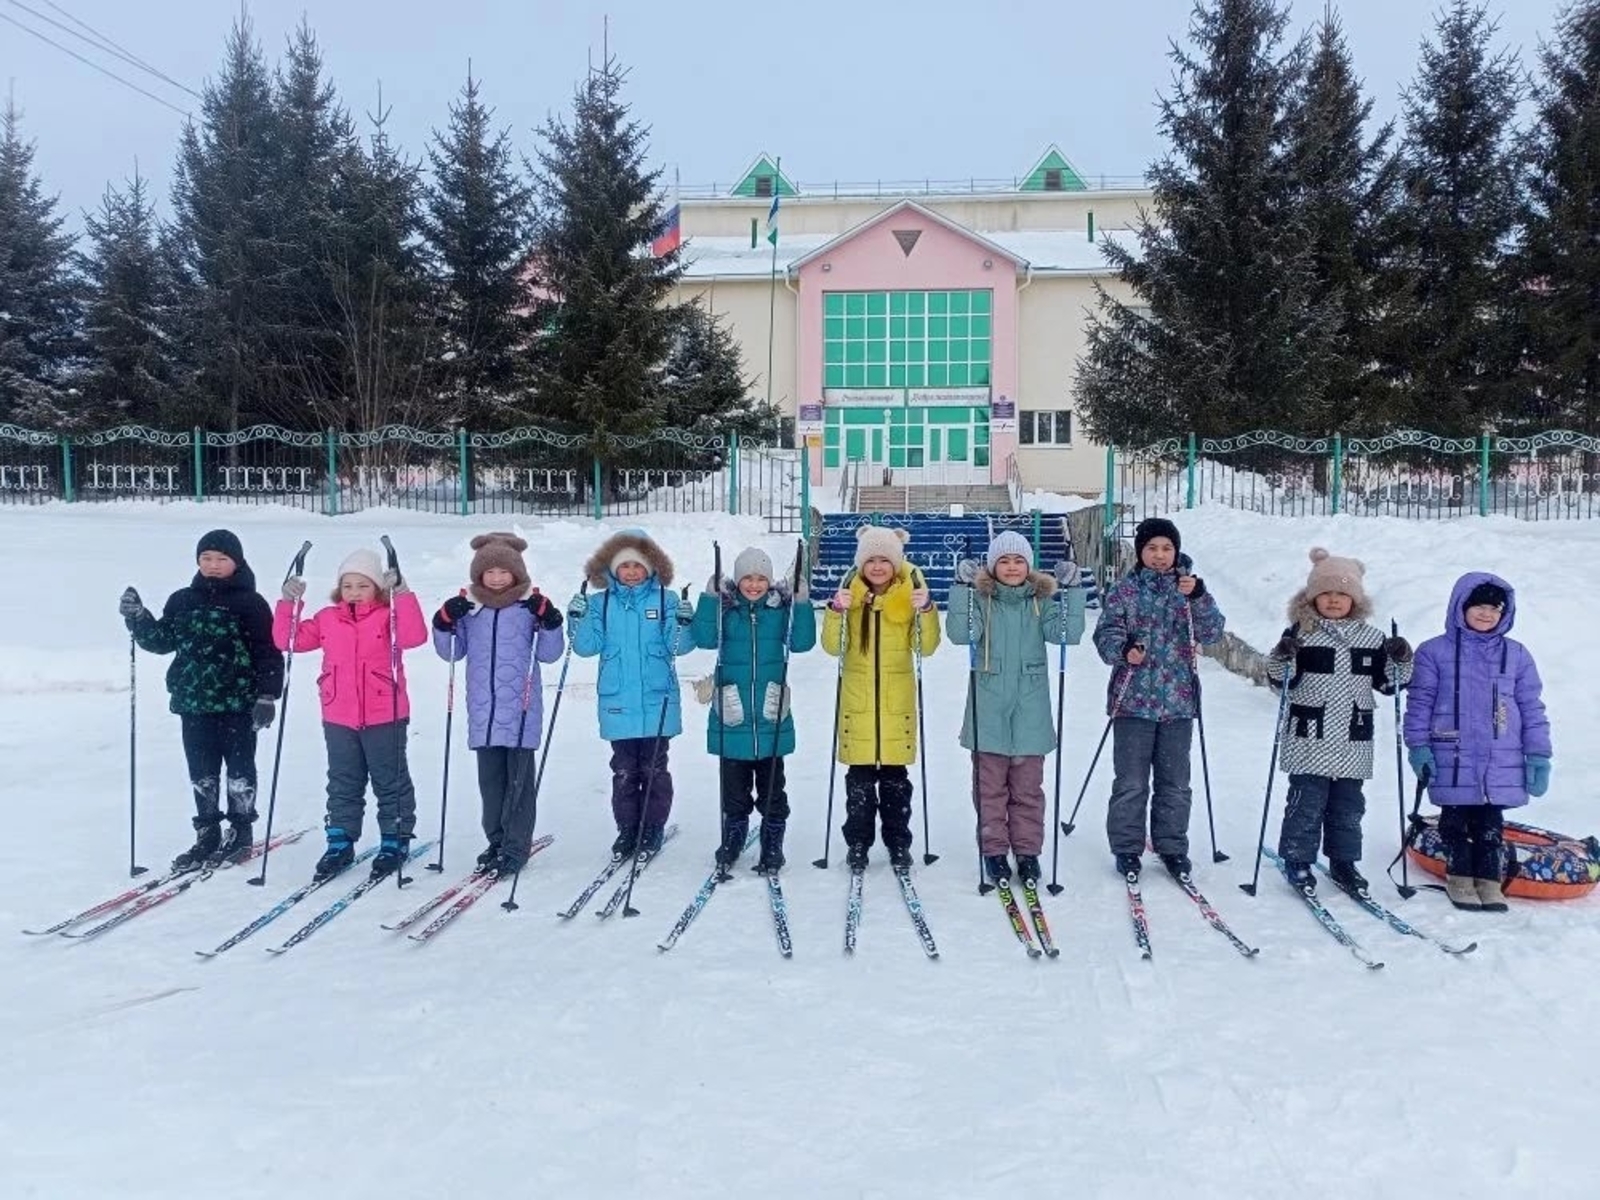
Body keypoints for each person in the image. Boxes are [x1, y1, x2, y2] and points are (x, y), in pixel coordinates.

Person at [118, 529, 283, 869]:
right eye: (206, 558)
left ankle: (240, 831)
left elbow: (267, 652)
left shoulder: (250, 603)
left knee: (239, 771)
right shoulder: (182, 600)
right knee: (202, 772)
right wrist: (138, 618)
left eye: (222, 559)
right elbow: (162, 641)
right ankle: (207, 831)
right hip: (193, 703)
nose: (213, 565)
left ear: (237, 562)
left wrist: (267, 695)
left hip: (238, 704)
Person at [1265, 549, 1412, 896]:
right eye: (1326, 593)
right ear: (1313, 597)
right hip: (1308, 735)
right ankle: (1298, 860)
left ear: (1355, 600)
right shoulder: (1301, 634)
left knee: (1349, 806)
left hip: (1352, 737)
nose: (1333, 600)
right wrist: (1282, 657)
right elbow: (1280, 681)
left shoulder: (1372, 638)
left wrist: (1401, 659)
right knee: (1306, 802)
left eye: (1342, 594)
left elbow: (1390, 683)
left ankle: (1344, 862)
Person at [277, 548, 427, 879]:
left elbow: (415, 637)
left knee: (390, 779)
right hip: (338, 713)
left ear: (377, 587)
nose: (355, 592)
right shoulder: (328, 619)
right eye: (348, 586)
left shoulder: (388, 617)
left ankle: (394, 837)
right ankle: (340, 841)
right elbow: (288, 640)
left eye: (363, 585)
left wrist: (401, 593)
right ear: (339, 589)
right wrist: (289, 604)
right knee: (343, 779)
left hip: (384, 712)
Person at [1405, 573, 1551, 912]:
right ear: (1461, 608)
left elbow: (1531, 706)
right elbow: (1420, 703)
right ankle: (1459, 878)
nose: (1486, 615)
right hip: (1451, 753)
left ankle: (1488, 882)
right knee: (1454, 820)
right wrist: (1418, 747)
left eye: (1494, 609)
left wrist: (1538, 754)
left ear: (1505, 614)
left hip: (1501, 756)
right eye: (1479, 607)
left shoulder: (1516, 654)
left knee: (1490, 825)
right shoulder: (1433, 652)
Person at [947, 531, 1085, 887]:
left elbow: (1066, 634)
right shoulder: (981, 599)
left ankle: (1027, 852)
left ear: (1029, 566)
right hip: (988, 707)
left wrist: (1071, 592)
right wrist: (961, 590)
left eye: (1018, 560)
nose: (1011, 567)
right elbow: (962, 634)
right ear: (992, 567)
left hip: (1030, 709)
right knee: (989, 787)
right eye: (1004, 561)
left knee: (1027, 789)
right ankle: (994, 849)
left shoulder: (1040, 602)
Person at [1091, 517, 1225, 881]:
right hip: (1132, 700)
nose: (1160, 555)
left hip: (1178, 702)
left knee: (1175, 782)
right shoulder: (1125, 590)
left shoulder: (1189, 589)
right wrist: (1123, 650)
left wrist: (1198, 597)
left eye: (1167, 548)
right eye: (1152, 548)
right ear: (1140, 552)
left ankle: (1172, 845)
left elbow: (1213, 632)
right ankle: (1127, 847)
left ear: (1176, 551)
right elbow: (1105, 635)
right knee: (1131, 781)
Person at [431, 533, 565, 875]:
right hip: (483, 714)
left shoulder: (527, 608)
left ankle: (516, 846)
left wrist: (550, 622)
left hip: (520, 712)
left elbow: (550, 655)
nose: (496, 577)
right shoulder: (470, 610)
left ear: (516, 574)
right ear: (478, 575)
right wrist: (444, 622)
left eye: (503, 571)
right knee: (491, 785)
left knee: (519, 785)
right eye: (488, 571)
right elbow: (451, 652)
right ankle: (496, 840)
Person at [568, 529, 696, 859]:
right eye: (624, 566)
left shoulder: (666, 601)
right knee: (624, 771)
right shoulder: (601, 603)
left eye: (638, 566)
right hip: (618, 703)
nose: (632, 572)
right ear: (612, 568)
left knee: (654, 769)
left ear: (651, 567)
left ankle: (652, 827)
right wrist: (577, 619)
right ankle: (627, 829)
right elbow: (585, 647)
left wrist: (684, 622)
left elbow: (678, 647)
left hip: (657, 701)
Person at [690, 546, 816, 875]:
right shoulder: (727, 611)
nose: (755, 585)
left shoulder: (779, 612)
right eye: (748, 578)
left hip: (770, 713)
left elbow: (802, 642)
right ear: (738, 580)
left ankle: (773, 842)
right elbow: (703, 638)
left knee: (773, 789)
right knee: (734, 789)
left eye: (762, 578)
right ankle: (733, 836)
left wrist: (801, 603)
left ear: (770, 581)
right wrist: (709, 599)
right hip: (733, 714)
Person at [822, 525, 941, 870]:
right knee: (858, 785)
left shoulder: (909, 596)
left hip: (895, 704)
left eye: (884, 560)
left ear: (895, 563)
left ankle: (898, 842)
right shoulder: (851, 595)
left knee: (895, 784)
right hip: (858, 705)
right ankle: (858, 842)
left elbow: (926, 647)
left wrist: (927, 611)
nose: (877, 567)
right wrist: (835, 611)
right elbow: (833, 648)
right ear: (861, 564)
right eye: (870, 559)